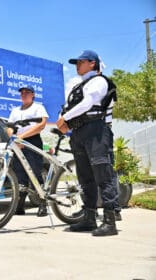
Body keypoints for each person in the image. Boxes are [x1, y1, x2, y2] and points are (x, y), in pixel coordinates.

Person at [56, 50, 118, 236]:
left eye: (81, 62)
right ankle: (89, 218)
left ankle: (110, 222)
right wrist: (65, 122)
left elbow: (88, 103)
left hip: (96, 131)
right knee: (85, 177)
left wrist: (65, 118)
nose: (77, 65)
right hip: (80, 132)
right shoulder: (81, 85)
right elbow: (73, 107)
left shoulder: (99, 81)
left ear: (92, 63)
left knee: (102, 174)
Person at [7, 86, 49, 217]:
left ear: (33, 95)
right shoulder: (15, 110)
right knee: (20, 175)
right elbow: (9, 127)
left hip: (32, 141)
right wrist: (14, 138)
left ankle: (43, 204)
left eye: (27, 93)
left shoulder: (38, 107)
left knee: (35, 173)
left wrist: (22, 138)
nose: (24, 95)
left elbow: (41, 125)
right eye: (22, 93)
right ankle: (20, 206)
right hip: (18, 144)